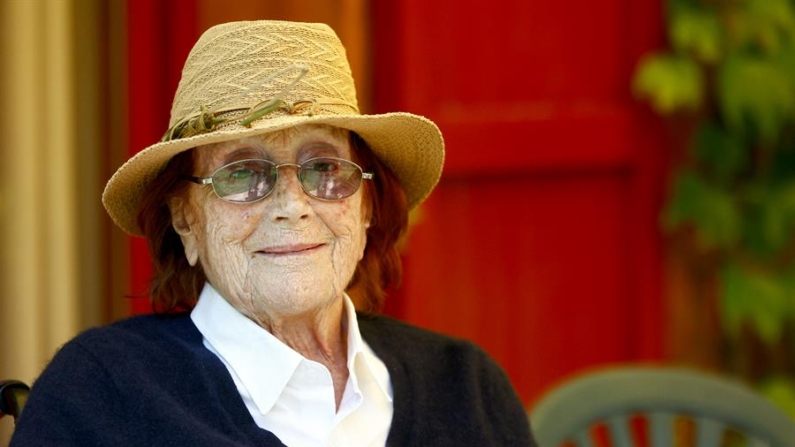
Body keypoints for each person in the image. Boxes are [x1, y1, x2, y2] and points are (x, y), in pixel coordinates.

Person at [11, 20, 536, 446]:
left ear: (367, 204)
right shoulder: (103, 395)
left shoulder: (466, 386)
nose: (292, 206)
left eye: (325, 168)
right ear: (185, 220)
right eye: (241, 174)